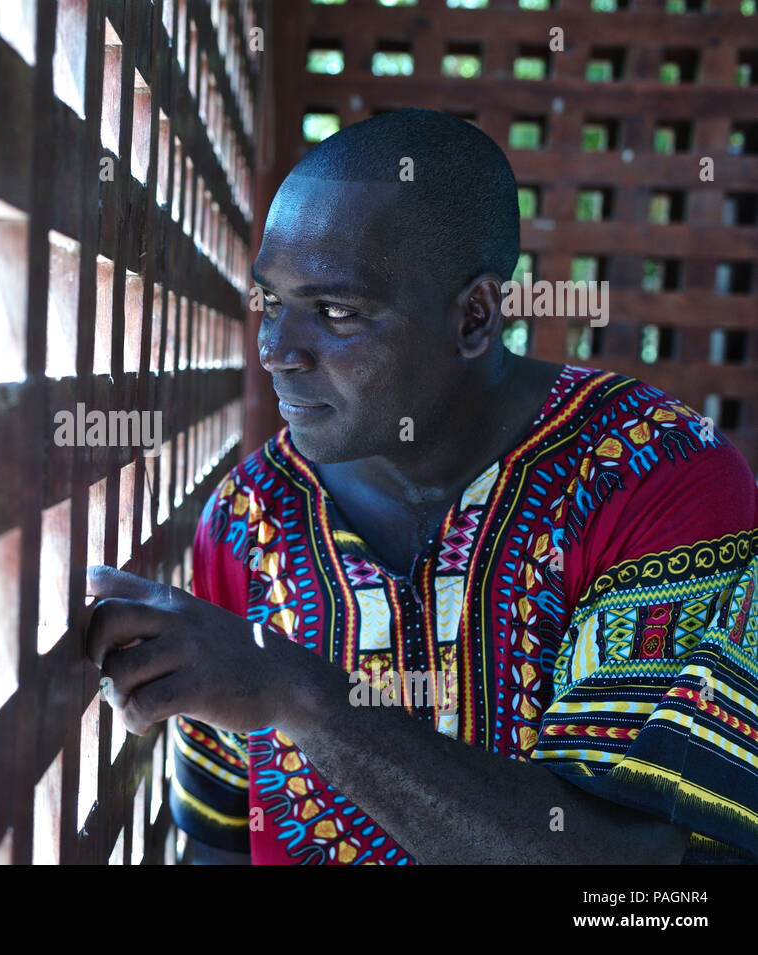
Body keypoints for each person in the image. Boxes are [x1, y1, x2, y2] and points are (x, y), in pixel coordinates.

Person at [84, 108, 758, 864]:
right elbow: (217, 842)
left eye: (335, 312)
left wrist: (300, 693)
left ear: (474, 317)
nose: (275, 350)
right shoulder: (249, 519)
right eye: (270, 302)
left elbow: (638, 879)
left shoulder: (656, 474)